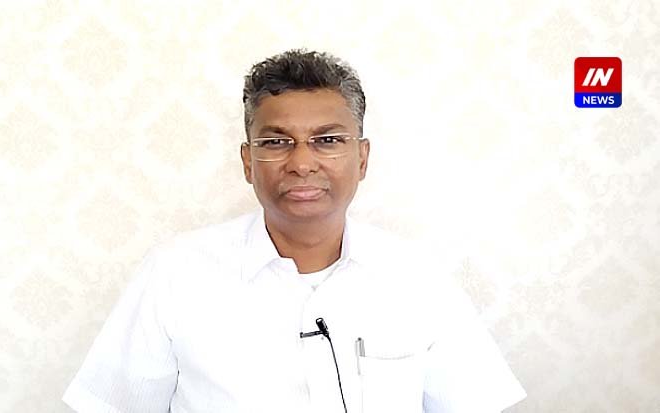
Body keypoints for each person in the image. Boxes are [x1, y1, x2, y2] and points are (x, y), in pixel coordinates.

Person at [63, 49, 526, 413]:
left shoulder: (417, 277)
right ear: (248, 161)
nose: (302, 163)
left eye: (327, 140)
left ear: (362, 158)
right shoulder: (175, 273)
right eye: (276, 142)